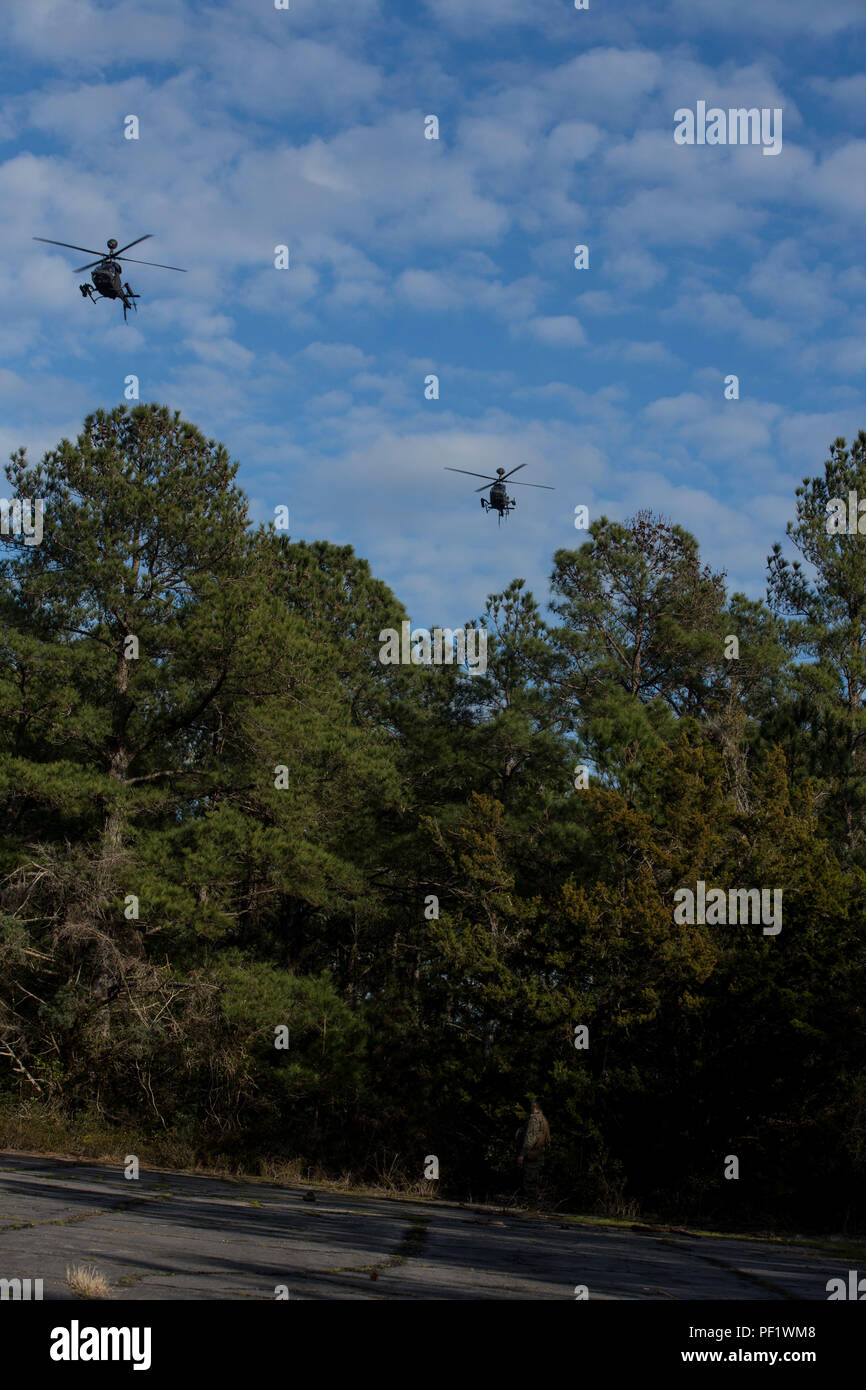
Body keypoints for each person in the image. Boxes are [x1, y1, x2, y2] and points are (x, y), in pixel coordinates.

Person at [516, 1099, 550, 1207]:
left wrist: (522, 1154)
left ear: (535, 1107)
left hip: (532, 1154)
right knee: (534, 1181)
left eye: (532, 1106)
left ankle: (532, 1208)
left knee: (529, 1182)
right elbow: (548, 1140)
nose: (530, 1108)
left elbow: (530, 1139)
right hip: (539, 1154)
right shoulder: (544, 1120)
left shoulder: (534, 1120)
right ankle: (533, 1207)